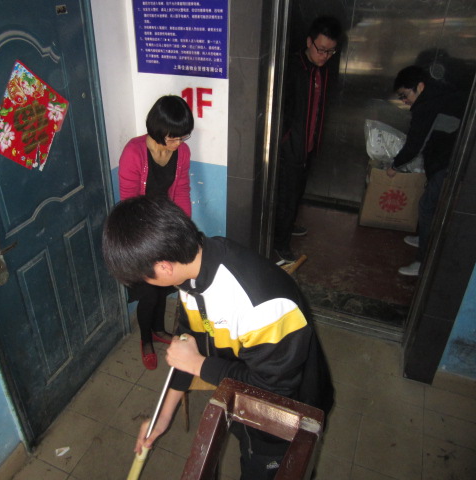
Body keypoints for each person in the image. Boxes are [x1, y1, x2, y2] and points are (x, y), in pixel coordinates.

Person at [102, 195, 334, 479]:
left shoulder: (262, 306)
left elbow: (273, 392)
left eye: (144, 278)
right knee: (246, 449)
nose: (147, 284)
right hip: (241, 393)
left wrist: (199, 365)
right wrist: (163, 414)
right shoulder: (192, 270)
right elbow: (189, 341)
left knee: (266, 467)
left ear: (164, 267)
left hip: (287, 418)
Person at [118, 95, 194, 369]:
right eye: (173, 137)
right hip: (141, 230)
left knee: (165, 285)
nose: (178, 143)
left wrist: (184, 230)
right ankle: (145, 340)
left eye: (183, 137)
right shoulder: (134, 152)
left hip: (166, 228)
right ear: (158, 129)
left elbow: (182, 191)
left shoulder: (182, 152)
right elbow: (129, 203)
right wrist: (150, 241)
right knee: (149, 291)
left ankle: (159, 329)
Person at [274, 15, 343, 263]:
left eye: (330, 51)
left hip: (309, 146)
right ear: (309, 42)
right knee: (286, 197)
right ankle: (280, 244)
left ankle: (287, 226)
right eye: (320, 49)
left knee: (297, 193)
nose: (324, 56)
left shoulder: (322, 70)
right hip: (291, 147)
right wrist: (284, 142)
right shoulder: (293, 68)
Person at [386, 66, 465, 276]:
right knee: (431, 206)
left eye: (405, 95)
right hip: (449, 160)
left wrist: (394, 166)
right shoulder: (443, 94)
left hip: (448, 164)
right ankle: (424, 238)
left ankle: (423, 262)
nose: (404, 101)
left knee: (427, 207)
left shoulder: (428, 104)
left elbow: (415, 144)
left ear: (420, 87)